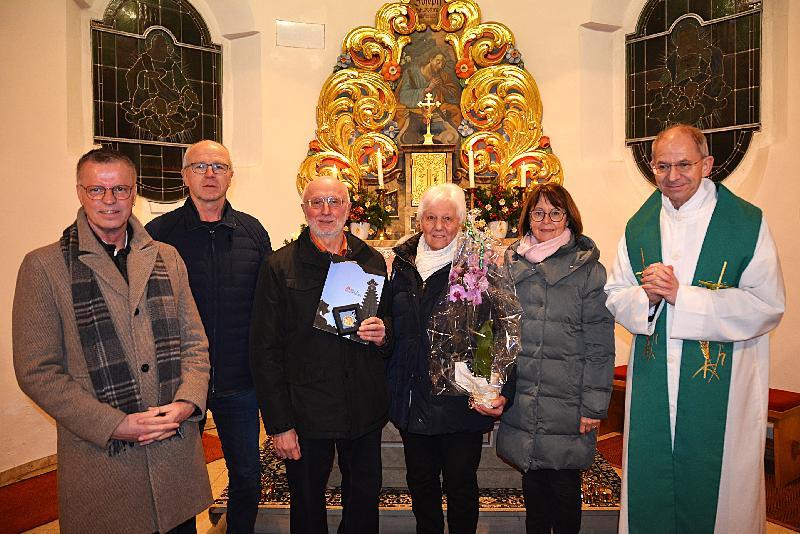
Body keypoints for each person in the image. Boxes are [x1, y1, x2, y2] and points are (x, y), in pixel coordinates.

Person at [12, 148, 212, 533]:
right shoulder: (43, 266)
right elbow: (37, 371)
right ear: (80, 192)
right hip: (104, 464)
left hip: (173, 460)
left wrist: (187, 402)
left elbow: (194, 342)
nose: (109, 201)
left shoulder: (166, 257)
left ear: (134, 191)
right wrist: (114, 424)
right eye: (97, 190)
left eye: (120, 190)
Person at [604, 124, 785, 534]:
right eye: (662, 166)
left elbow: (767, 305)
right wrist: (646, 299)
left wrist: (682, 298)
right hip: (654, 379)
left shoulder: (745, 222)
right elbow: (615, 293)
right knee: (652, 475)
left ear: (707, 164)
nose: (672, 176)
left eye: (684, 164)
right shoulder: (639, 225)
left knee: (718, 489)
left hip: (722, 384)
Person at [250, 176, 390, 533]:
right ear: (304, 210)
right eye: (317, 202)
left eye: (334, 202)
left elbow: (389, 323)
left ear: (348, 208)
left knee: (363, 501)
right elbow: (264, 350)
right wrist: (280, 424)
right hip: (307, 407)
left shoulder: (371, 259)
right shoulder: (280, 266)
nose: (326, 211)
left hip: (362, 406)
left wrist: (383, 333)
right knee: (307, 502)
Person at [146, 140, 272, 533]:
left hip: (239, 380)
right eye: (200, 167)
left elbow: (270, 305)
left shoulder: (252, 232)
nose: (210, 174)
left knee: (248, 475)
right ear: (184, 177)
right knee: (179, 480)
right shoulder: (158, 234)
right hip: (180, 384)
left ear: (231, 176)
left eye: (219, 166)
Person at [477, 182, 615, 534]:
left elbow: (600, 345)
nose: (547, 220)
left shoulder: (588, 270)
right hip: (525, 395)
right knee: (534, 488)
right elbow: (495, 333)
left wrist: (594, 405)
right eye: (538, 212)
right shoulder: (509, 264)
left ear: (569, 217)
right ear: (528, 218)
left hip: (567, 399)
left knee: (565, 490)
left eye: (555, 212)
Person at [387, 183, 493, 533]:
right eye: (431, 217)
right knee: (421, 482)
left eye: (447, 219)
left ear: (460, 223)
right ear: (419, 221)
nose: (438, 226)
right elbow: (391, 321)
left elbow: (492, 332)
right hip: (414, 393)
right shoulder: (400, 263)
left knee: (461, 485)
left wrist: (486, 385)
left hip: (459, 400)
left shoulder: (475, 266)